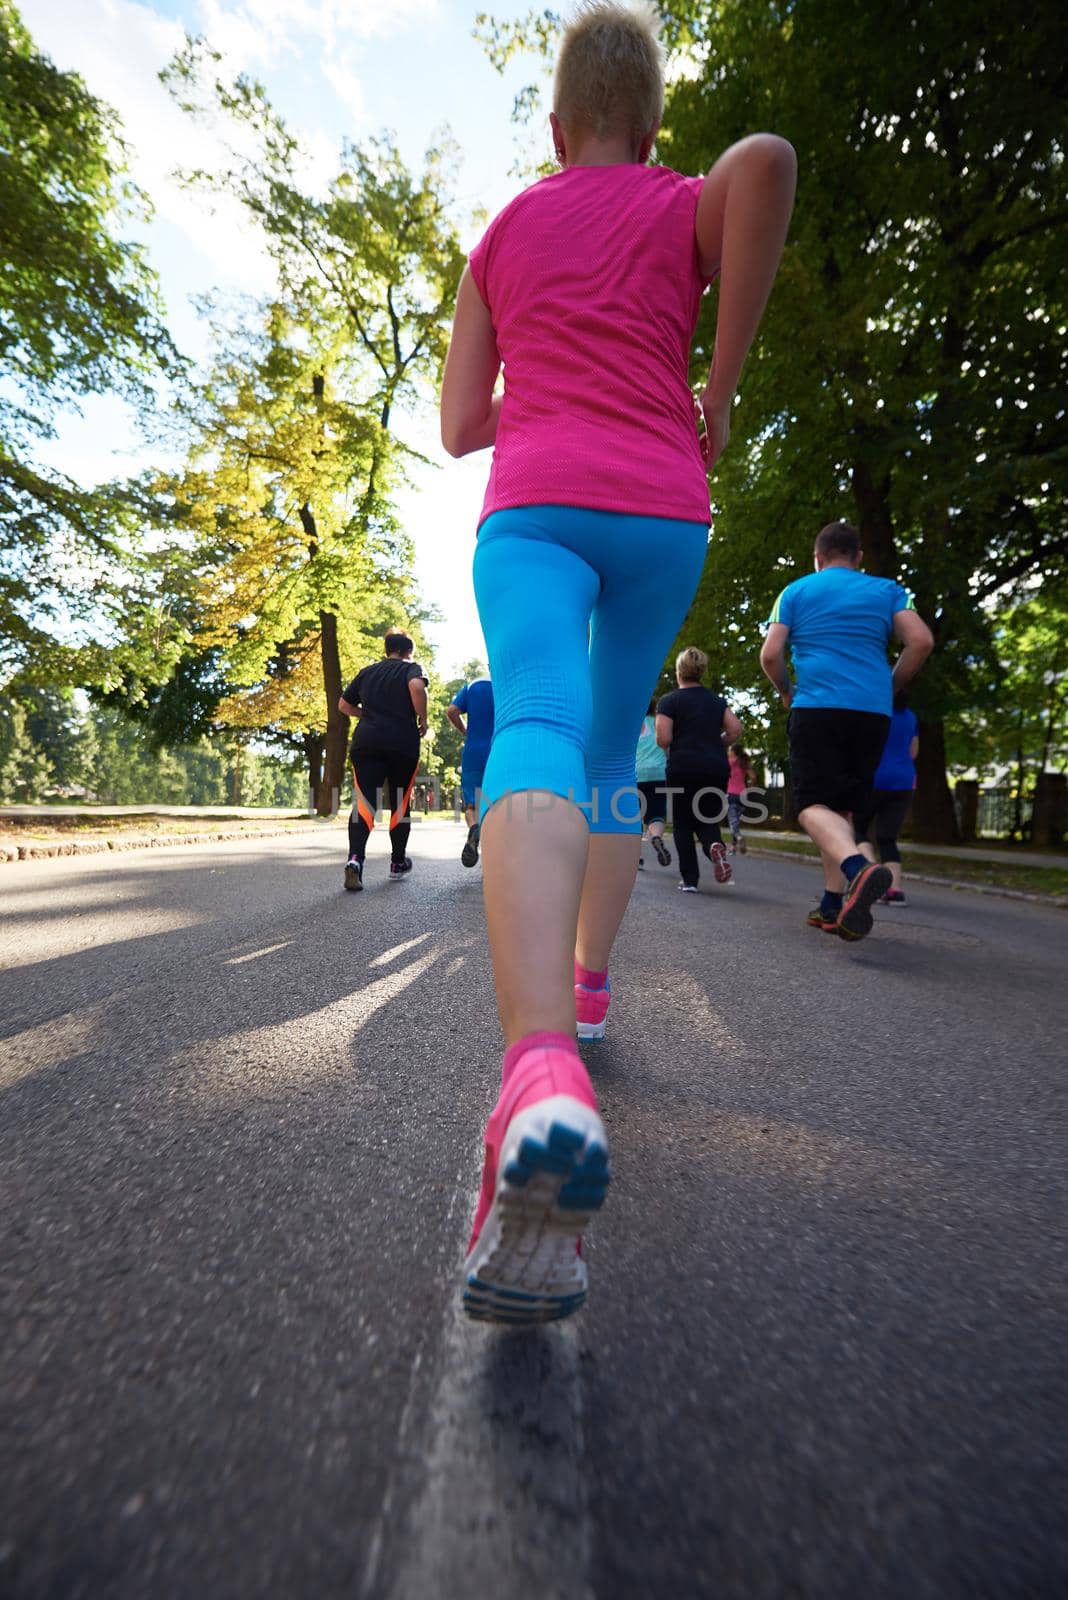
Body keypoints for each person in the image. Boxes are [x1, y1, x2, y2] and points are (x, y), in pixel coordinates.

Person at [440, 0, 796, 1323]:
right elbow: (765, 163)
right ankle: (588, 989)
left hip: (537, 504)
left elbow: (459, 423)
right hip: (663, 511)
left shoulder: (506, 230)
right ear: (653, 126)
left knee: (532, 720)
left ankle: (539, 1071)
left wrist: (536, 354)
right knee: (604, 750)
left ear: (553, 124)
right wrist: (717, 381)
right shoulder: (684, 203)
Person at [759, 521, 933, 939]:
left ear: (817, 558)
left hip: (818, 706)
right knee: (839, 811)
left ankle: (858, 870)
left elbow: (771, 654)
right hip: (872, 714)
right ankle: (832, 903)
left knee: (809, 806)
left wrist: (785, 690)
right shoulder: (887, 590)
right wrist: (889, 686)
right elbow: (921, 641)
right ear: (859, 558)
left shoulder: (796, 592)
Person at [338, 630, 428, 891]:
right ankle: (397, 863)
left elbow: (344, 705)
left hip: (367, 742)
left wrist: (366, 715)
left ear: (388, 649)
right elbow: (417, 687)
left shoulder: (368, 672)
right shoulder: (412, 668)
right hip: (402, 744)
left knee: (365, 802)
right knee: (400, 803)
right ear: (408, 651)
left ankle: (355, 860)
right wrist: (423, 719)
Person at [656, 647, 743, 892]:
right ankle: (715, 846)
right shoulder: (716, 701)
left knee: (683, 822)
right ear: (701, 671)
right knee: (707, 818)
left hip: (683, 766)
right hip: (715, 767)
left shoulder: (669, 701)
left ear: (678, 672)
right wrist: (716, 743)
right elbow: (735, 729)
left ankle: (690, 880)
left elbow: (663, 738)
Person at [853, 692, 919, 904]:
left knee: (857, 829)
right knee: (887, 837)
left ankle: (873, 872)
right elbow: (914, 751)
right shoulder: (910, 717)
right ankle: (895, 890)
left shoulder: (874, 712)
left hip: (874, 778)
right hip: (904, 781)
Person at [446, 674, 495, 867]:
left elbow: (452, 711)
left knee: (472, 805)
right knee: (499, 802)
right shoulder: (507, 682)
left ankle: (474, 828)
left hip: (474, 750)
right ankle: (496, 854)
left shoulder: (473, 685)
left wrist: (466, 731)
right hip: (500, 749)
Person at [635, 698, 671, 870]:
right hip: (657, 774)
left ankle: (637, 857)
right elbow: (666, 745)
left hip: (634, 775)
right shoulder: (657, 724)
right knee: (656, 813)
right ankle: (656, 837)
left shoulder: (630, 725)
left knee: (633, 817)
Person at [726, 742, 756, 854]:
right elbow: (753, 777)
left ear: (733, 752)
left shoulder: (730, 762)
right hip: (743, 796)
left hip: (731, 795)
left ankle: (739, 838)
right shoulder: (744, 762)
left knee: (733, 823)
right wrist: (749, 785)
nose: (729, 752)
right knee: (736, 822)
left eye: (730, 750)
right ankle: (733, 848)